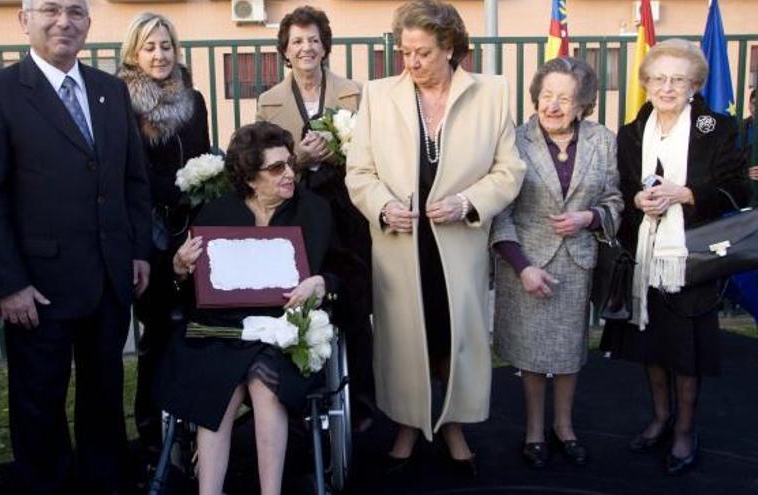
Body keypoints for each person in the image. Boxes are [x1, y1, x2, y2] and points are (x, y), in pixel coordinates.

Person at [0, 0, 152, 491]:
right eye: (49, 9)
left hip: (109, 277)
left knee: (105, 397)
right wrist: (9, 284)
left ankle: (104, 480)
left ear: (88, 22)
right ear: (24, 20)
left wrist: (138, 251)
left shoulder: (110, 91)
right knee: (39, 404)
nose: (64, 21)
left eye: (76, 11)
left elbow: (132, 181)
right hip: (37, 289)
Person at [346, 0, 525, 475]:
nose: (411, 62)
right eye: (404, 52)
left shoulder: (492, 93)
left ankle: (453, 424)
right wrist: (382, 206)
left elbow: (509, 171)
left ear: (450, 48)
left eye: (422, 52)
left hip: (457, 244)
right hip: (400, 244)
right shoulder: (379, 95)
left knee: (451, 334)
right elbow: (359, 171)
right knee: (407, 338)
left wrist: (468, 203)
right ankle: (407, 424)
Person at [156, 122, 339, 495]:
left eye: (290, 164)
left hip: (283, 328)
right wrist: (178, 268)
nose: (290, 173)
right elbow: (185, 291)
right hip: (223, 329)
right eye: (276, 169)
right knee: (218, 383)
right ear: (250, 178)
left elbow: (349, 272)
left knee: (264, 382)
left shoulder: (315, 211)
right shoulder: (216, 212)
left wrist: (323, 283)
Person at [599, 39, 748, 475]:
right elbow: (622, 190)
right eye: (659, 78)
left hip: (692, 260)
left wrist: (685, 194)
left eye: (678, 80)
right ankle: (661, 418)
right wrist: (637, 201)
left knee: (685, 353)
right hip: (644, 258)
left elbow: (739, 189)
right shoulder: (630, 133)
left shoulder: (716, 129)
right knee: (652, 347)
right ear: (645, 84)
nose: (667, 87)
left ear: (695, 85)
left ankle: (685, 430)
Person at [490, 57, 623, 468]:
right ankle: (533, 431)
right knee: (531, 355)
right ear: (535, 98)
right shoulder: (513, 140)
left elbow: (615, 199)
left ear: (583, 104)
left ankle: (564, 428)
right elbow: (499, 211)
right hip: (526, 263)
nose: (553, 106)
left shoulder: (603, 140)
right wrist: (522, 266)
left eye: (565, 98)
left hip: (576, 263)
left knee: (568, 353)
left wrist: (590, 217)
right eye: (547, 96)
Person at [256, 5, 375, 431]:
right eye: (297, 41)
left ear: (325, 45)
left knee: (355, 302)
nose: (306, 48)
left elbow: (372, 152)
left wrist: (342, 153)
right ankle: (300, 397)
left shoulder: (356, 92)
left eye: (313, 39)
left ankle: (362, 400)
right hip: (299, 214)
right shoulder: (268, 101)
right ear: (285, 51)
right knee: (300, 300)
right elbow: (261, 164)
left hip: (349, 211)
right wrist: (299, 161)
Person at [116, 11, 210, 465]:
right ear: (134, 52)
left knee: (193, 329)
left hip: (189, 229)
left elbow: (203, 154)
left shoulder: (194, 99)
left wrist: (202, 183)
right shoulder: (119, 100)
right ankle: (153, 431)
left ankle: (194, 426)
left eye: (166, 45)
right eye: (150, 46)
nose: (160, 54)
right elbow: (127, 170)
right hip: (146, 234)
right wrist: (170, 190)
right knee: (156, 332)